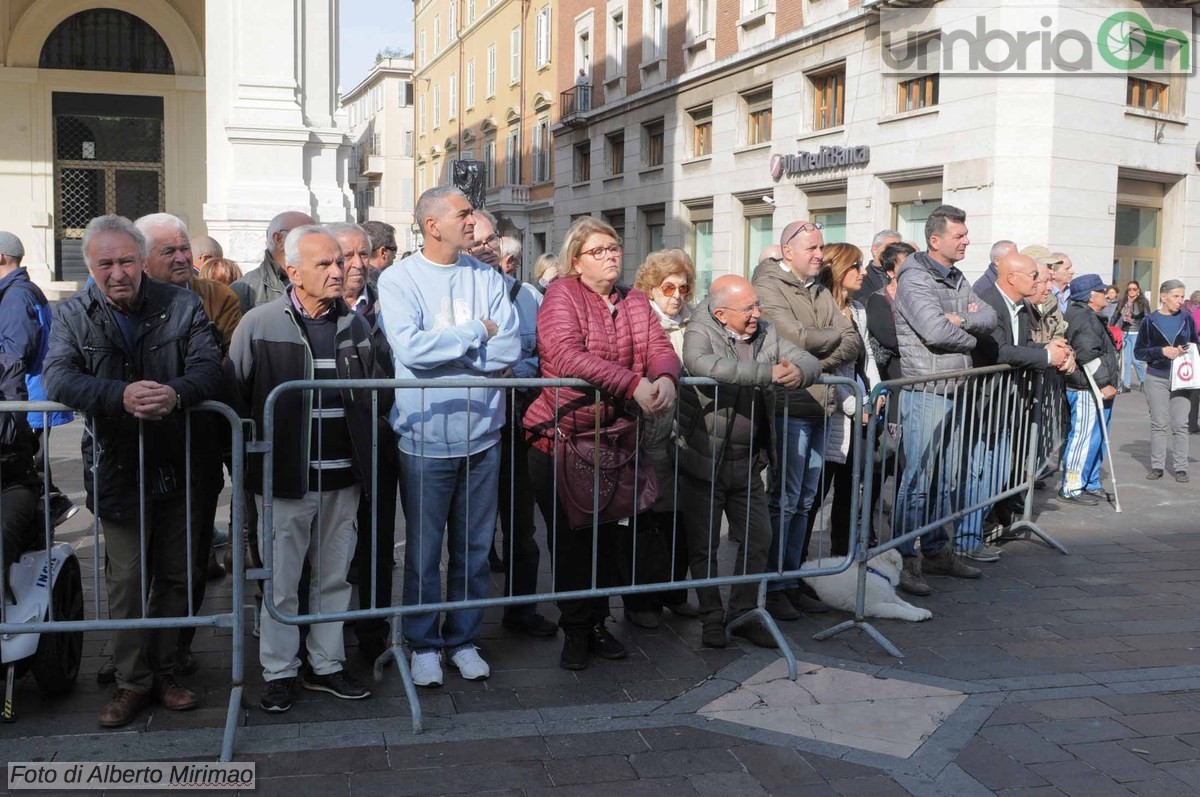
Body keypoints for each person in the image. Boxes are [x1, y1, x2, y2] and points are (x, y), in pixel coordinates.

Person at [43, 214, 222, 728]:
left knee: (174, 574)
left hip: (180, 458)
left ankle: (167, 672)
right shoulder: (73, 313)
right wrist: (118, 397)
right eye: (106, 264)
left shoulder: (182, 305)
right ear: (91, 267)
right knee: (125, 580)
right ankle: (131, 682)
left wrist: (176, 393)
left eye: (126, 261)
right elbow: (58, 376)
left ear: (142, 261)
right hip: (117, 463)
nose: (118, 272)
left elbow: (209, 367)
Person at [229, 225, 382, 712]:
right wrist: (249, 468)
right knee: (281, 580)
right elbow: (233, 398)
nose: (339, 271)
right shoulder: (259, 323)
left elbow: (379, 391)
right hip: (285, 482)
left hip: (343, 479)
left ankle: (327, 665)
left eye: (339, 262)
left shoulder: (356, 326)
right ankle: (279, 670)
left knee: (334, 577)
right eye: (325, 264)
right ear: (293, 272)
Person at [522, 217, 679, 671]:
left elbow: (658, 345)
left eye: (614, 247)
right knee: (572, 541)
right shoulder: (562, 295)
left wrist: (666, 375)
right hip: (560, 437)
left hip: (612, 438)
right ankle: (575, 629)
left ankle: (597, 623)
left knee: (607, 538)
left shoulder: (632, 299)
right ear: (576, 261)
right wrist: (633, 384)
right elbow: (566, 353)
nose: (611, 255)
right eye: (599, 250)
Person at [379, 186, 521, 687]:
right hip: (423, 438)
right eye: (463, 214)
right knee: (422, 553)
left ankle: (463, 638)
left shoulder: (487, 276)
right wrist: (475, 335)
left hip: (483, 434)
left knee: (474, 549)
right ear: (432, 224)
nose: (473, 220)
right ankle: (422, 643)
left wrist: (461, 350)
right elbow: (412, 350)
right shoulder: (398, 280)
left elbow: (507, 347)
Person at [678, 275, 818, 649]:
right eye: (749, 309)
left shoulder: (766, 331)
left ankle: (741, 613)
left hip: (748, 460)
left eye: (757, 305)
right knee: (704, 545)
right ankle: (710, 617)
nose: (757, 313)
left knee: (759, 537)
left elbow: (804, 356)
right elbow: (703, 364)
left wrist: (799, 371)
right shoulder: (700, 329)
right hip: (705, 458)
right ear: (721, 314)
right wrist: (768, 372)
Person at [134, 212, 243, 671]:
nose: (183, 259)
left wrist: (170, 390)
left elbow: (220, 365)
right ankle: (134, 656)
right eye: (170, 252)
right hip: (130, 448)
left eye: (185, 250)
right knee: (131, 563)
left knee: (189, 554)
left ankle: (177, 648)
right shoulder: (109, 298)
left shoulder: (217, 297)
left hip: (196, 442)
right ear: (142, 259)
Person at [752, 220, 859, 621]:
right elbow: (791, 337)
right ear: (788, 252)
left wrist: (811, 366)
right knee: (786, 499)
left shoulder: (817, 288)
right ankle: (774, 584)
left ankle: (791, 579)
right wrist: (819, 351)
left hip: (820, 404)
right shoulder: (768, 286)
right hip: (790, 406)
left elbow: (851, 338)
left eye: (821, 247)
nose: (820, 255)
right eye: (812, 248)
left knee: (806, 501)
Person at [891, 205, 997, 596]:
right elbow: (935, 331)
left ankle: (937, 552)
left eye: (966, 234)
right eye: (959, 235)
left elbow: (989, 317)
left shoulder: (955, 276)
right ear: (936, 240)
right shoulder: (915, 278)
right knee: (917, 481)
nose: (967, 240)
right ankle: (904, 560)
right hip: (927, 390)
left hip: (956, 387)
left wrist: (964, 322)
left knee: (946, 480)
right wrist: (970, 333)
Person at [326, 222, 399, 663]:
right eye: (344, 256)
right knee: (331, 548)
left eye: (362, 255)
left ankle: (374, 631)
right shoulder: (315, 307)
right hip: (330, 449)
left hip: (378, 444)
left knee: (376, 543)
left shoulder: (390, 300)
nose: (355, 265)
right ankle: (323, 636)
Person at [485, 229, 557, 638]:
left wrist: (517, 371)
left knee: (521, 526)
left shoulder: (529, 296)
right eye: (478, 244)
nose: (488, 252)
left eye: (492, 244)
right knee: (469, 531)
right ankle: (461, 621)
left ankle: (521, 608)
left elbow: (544, 355)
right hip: (470, 427)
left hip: (519, 424)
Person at [972, 253, 1076, 534]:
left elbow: (1024, 343)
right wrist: (1046, 356)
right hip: (987, 403)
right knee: (980, 474)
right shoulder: (989, 304)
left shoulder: (1019, 307)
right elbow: (1000, 350)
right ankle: (968, 536)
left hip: (1009, 402)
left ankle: (979, 531)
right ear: (1011, 278)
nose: (1042, 281)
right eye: (1034, 275)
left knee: (998, 472)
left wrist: (1057, 351)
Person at [631, 249, 701, 628]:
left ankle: (675, 591)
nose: (676, 295)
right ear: (652, 288)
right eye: (669, 287)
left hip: (686, 433)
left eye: (683, 288)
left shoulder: (695, 320)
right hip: (650, 432)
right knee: (649, 519)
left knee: (682, 518)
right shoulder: (641, 319)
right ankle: (641, 600)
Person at [808, 243, 882, 558]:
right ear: (838, 270)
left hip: (860, 411)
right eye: (856, 266)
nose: (863, 272)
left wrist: (878, 393)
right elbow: (828, 368)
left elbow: (867, 359)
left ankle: (842, 558)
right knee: (814, 495)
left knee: (850, 492)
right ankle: (796, 567)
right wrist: (856, 407)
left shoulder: (859, 310)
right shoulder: (820, 310)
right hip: (831, 415)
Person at [0, 231, 76, 527]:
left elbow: (15, 353)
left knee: (31, 468)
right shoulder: (20, 290)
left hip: (27, 399)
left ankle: (48, 511)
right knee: (35, 466)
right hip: (30, 397)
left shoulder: (16, 295)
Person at [1058, 274, 1120, 503]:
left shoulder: (1088, 314)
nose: (1107, 295)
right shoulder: (1084, 317)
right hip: (1085, 387)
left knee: (1094, 437)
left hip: (1091, 386)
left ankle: (1088, 481)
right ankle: (1072, 486)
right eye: (1102, 292)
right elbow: (1087, 353)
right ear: (1091, 296)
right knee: (1082, 437)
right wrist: (1104, 383)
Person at [1136, 279, 1199, 483]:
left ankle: (1180, 468)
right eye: (1176, 296)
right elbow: (1139, 351)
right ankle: (1157, 466)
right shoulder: (1150, 321)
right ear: (1163, 297)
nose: (1180, 301)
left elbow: (1196, 344)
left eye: (1182, 296)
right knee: (1159, 423)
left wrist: (1187, 350)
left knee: (1181, 424)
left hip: (1183, 379)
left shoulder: (1187, 318)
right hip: (1157, 376)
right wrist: (1161, 351)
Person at [231, 210, 315, 315]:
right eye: (307, 235)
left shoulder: (325, 280)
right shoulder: (244, 290)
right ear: (279, 239)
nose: (317, 242)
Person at [865, 242, 916, 382]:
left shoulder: (923, 295)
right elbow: (891, 340)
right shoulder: (879, 299)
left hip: (923, 369)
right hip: (895, 372)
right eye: (905, 267)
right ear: (890, 272)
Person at [1115, 281, 1151, 393]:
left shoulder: (1143, 302)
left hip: (1137, 333)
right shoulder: (1122, 301)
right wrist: (1110, 327)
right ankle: (1126, 385)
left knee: (1137, 361)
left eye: (1134, 289)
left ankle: (1143, 381)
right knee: (1126, 361)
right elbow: (1116, 314)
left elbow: (1147, 317)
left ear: (1138, 290)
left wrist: (1146, 332)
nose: (1131, 291)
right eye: (1129, 289)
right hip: (1125, 332)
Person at [853, 229, 901, 301]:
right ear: (875, 250)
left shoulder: (903, 275)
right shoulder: (862, 279)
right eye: (891, 248)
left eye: (899, 249)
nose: (896, 253)